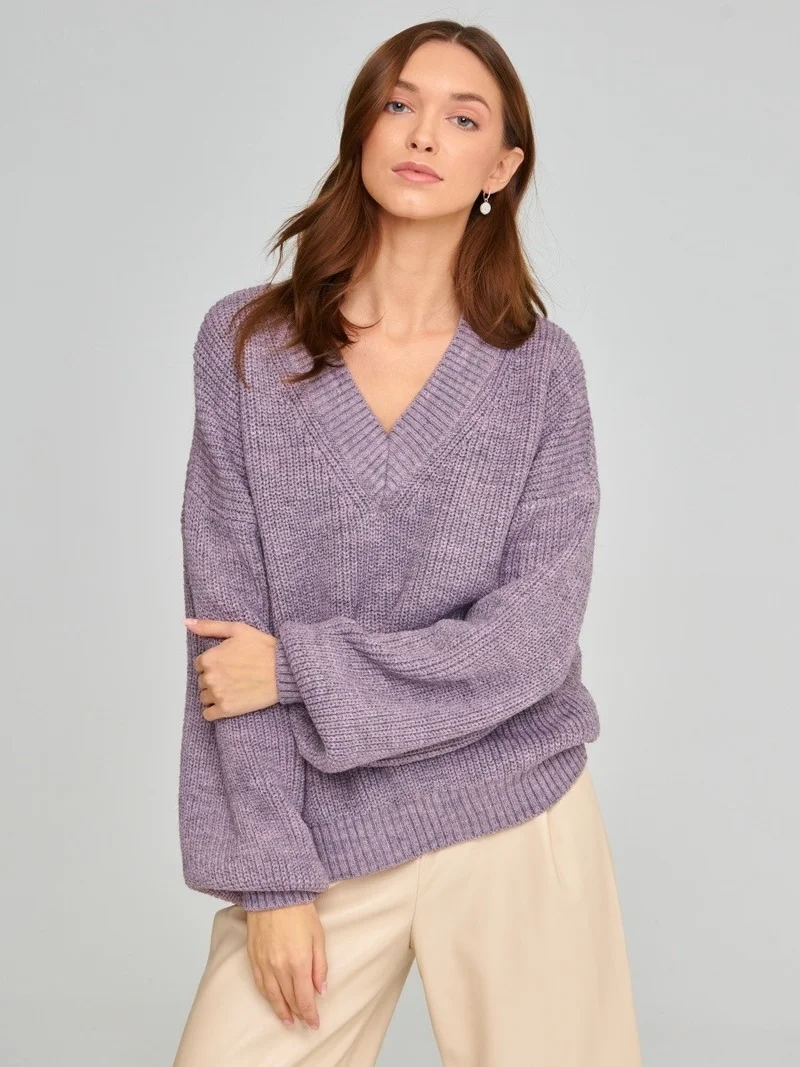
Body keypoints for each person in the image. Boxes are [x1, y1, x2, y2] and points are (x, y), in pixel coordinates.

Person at [172, 18, 643, 1067]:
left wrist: (296, 670)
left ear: (501, 167)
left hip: (514, 805)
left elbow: (530, 641)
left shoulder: (540, 373)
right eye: (399, 104)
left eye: (462, 118)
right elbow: (223, 641)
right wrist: (271, 880)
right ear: (363, 129)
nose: (423, 133)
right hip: (323, 829)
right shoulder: (247, 346)